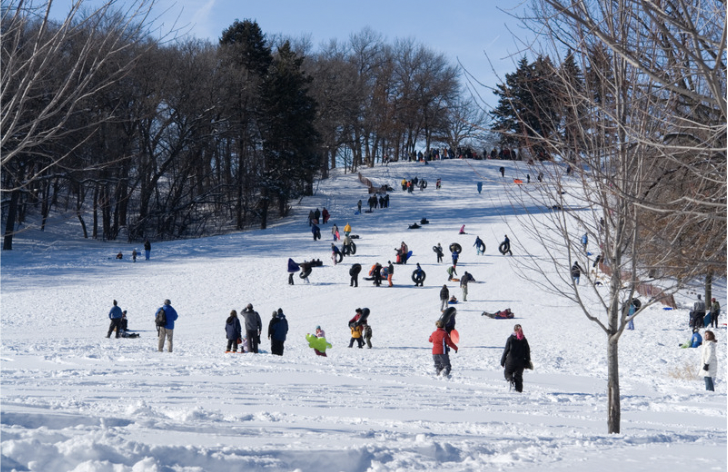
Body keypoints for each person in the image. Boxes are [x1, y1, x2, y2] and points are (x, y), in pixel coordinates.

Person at [500, 324, 531, 392]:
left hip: (510, 361)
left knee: (507, 373)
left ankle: (511, 379)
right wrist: (527, 361)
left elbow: (506, 350)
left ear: (514, 330)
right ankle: (519, 391)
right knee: (518, 376)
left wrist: (502, 361)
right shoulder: (524, 340)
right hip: (520, 362)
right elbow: (527, 351)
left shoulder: (510, 339)